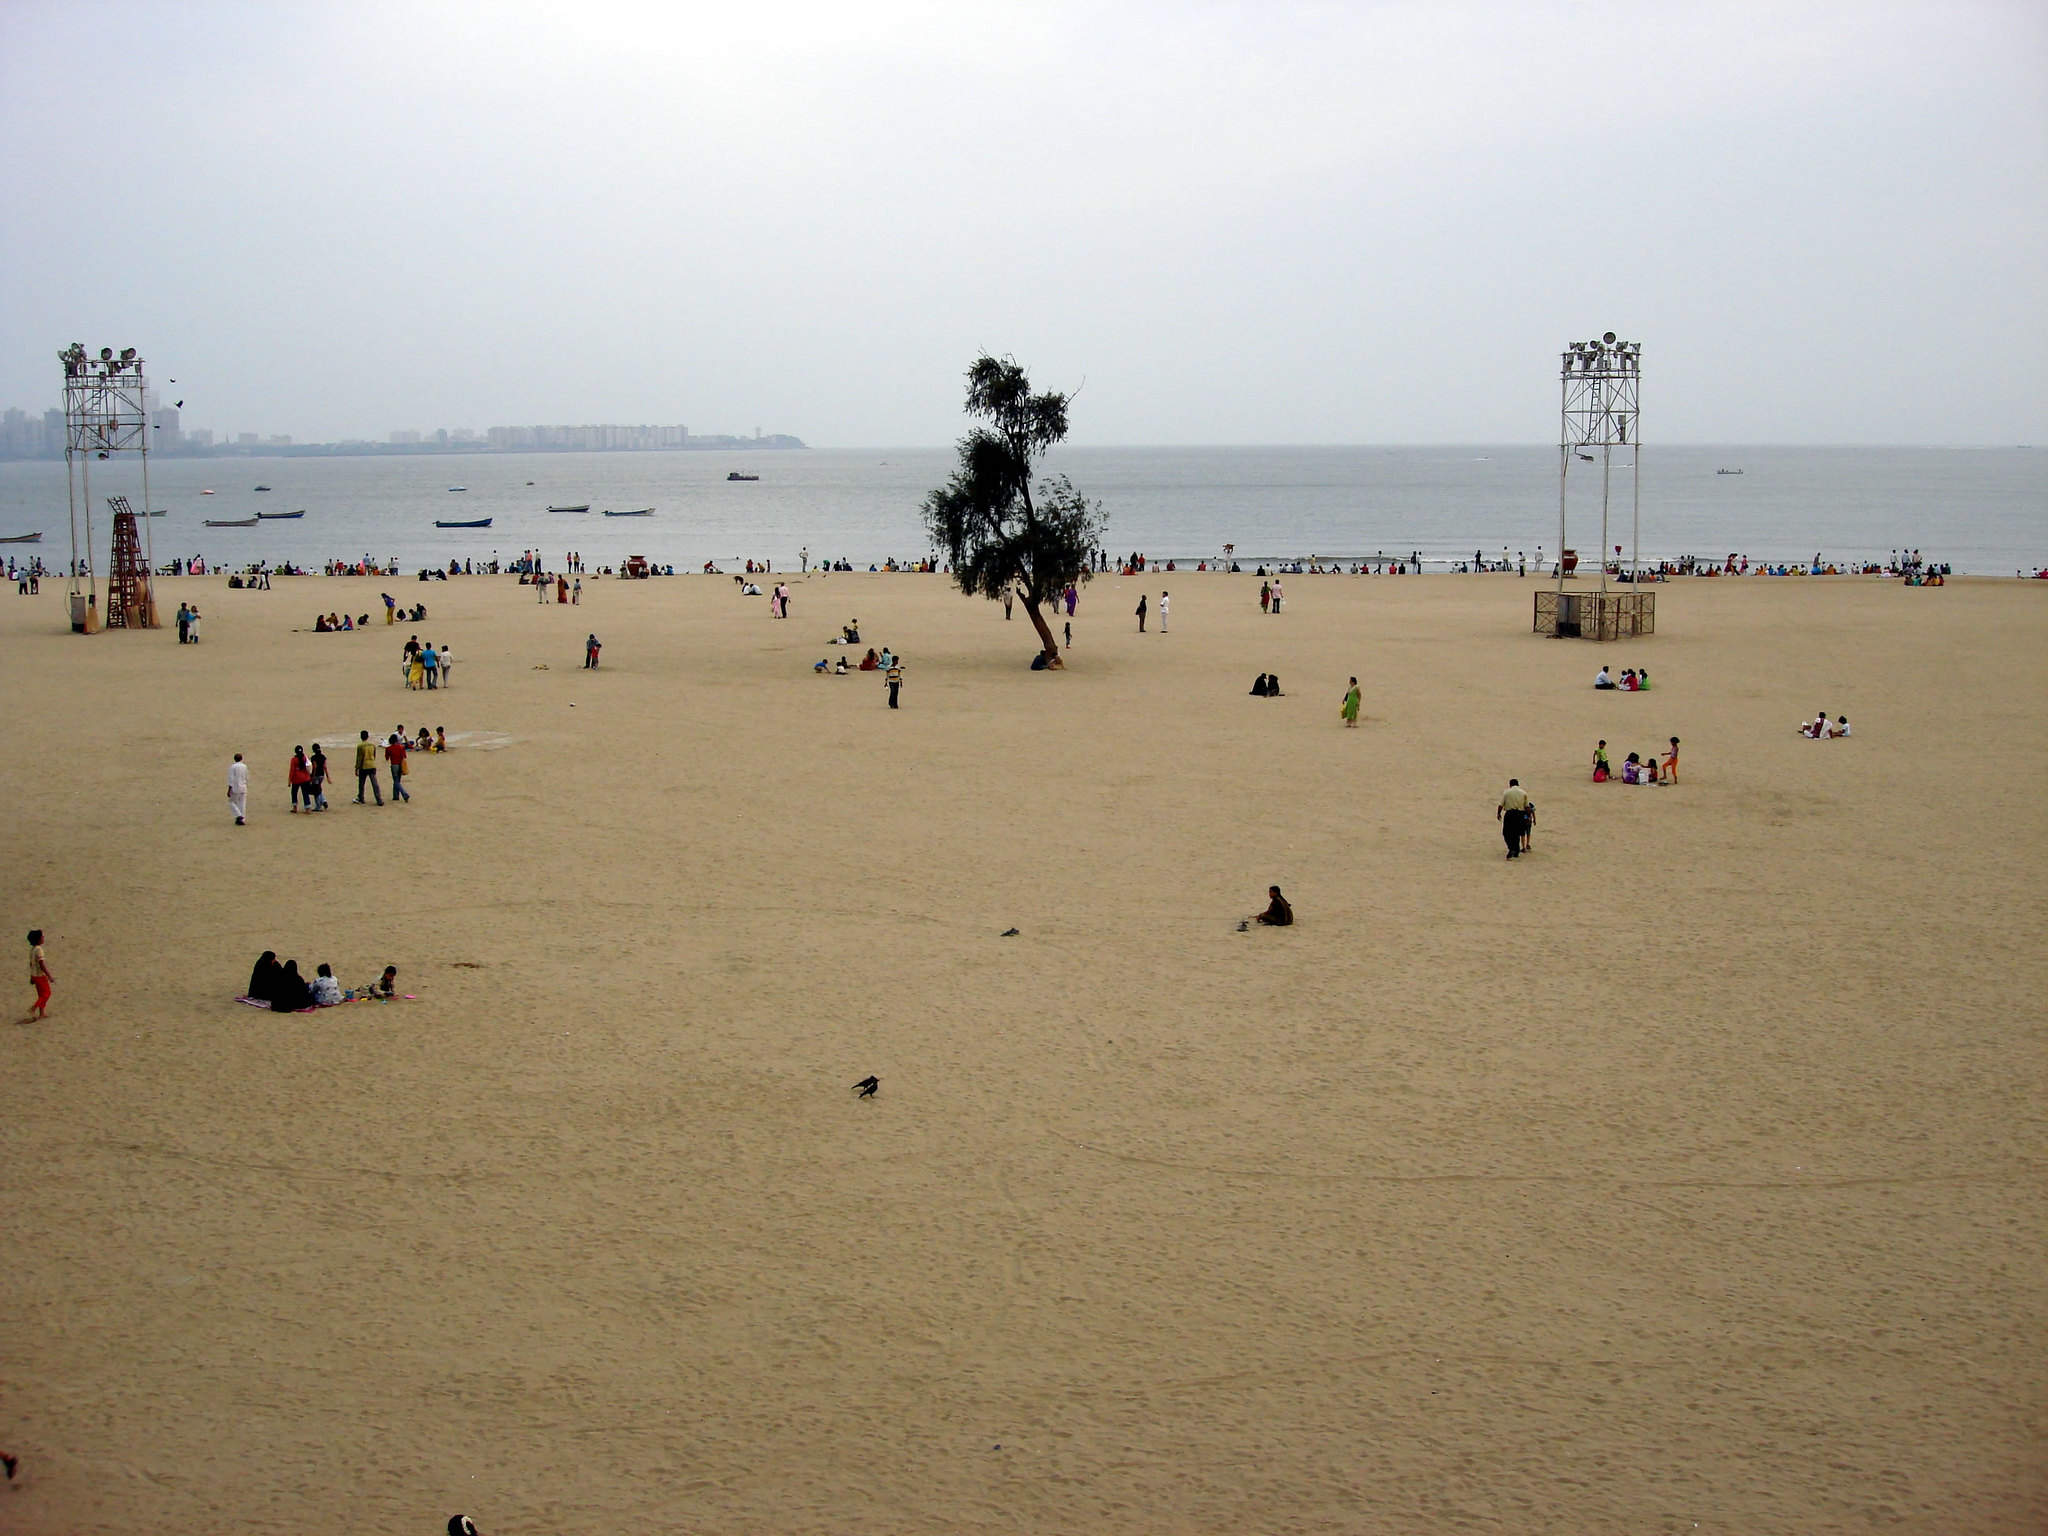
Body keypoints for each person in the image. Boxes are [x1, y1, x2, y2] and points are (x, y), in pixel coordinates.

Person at [1497, 778, 1530, 859]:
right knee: (1516, 833)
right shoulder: (1523, 793)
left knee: (1507, 833)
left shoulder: (1507, 792)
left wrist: (1498, 813)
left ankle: (1511, 848)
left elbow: (1501, 805)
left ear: (1510, 784)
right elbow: (1527, 807)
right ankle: (1516, 850)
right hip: (1520, 814)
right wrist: (1528, 817)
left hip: (1510, 814)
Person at [27, 929, 52, 1019]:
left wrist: (31, 976)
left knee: (41, 994)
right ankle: (33, 1008)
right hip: (40, 976)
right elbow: (42, 965)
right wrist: (49, 976)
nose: (43, 938)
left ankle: (42, 1013)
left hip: (34, 975)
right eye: (42, 937)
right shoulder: (39, 950)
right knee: (47, 993)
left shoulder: (32, 950)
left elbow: (31, 964)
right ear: (39, 940)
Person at [354, 730, 383, 804]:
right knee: (374, 783)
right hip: (372, 765)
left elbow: (359, 758)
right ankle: (379, 799)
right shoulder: (372, 745)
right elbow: (374, 755)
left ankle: (361, 797)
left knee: (361, 783)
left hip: (364, 766)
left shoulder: (360, 746)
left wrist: (357, 767)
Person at [385, 733, 411, 802]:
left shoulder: (388, 748)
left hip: (394, 765)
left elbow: (387, 758)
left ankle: (404, 794)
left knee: (396, 781)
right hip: (400, 764)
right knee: (397, 780)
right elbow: (404, 756)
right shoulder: (401, 747)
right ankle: (395, 796)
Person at [228, 752, 249, 825]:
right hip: (244, 787)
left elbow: (231, 779)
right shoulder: (245, 766)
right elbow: (247, 777)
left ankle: (238, 815)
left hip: (235, 787)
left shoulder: (233, 767)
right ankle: (242, 818)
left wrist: (229, 789)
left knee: (231, 802)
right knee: (242, 803)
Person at [289, 747, 312, 813]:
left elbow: (292, 770)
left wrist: (289, 780)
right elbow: (308, 767)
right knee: (305, 793)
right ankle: (308, 808)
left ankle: (295, 807)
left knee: (294, 792)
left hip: (296, 779)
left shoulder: (294, 760)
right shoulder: (304, 757)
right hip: (305, 778)